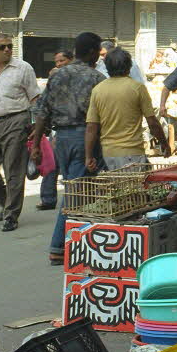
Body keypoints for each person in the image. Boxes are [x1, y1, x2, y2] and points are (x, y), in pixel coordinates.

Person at [32, 33, 103, 264]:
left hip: (60, 138)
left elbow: (42, 110)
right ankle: (58, 246)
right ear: (93, 52)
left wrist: (37, 144)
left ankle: (80, 244)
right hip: (85, 138)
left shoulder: (57, 75)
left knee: (79, 190)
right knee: (76, 193)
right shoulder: (97, 78)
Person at [0, 33, 41, 231]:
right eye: (3, 47)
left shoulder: (23, 68)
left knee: (13, 170)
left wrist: (36, 127)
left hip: (15, 121)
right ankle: (6, 203)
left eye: (10, 46)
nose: (7, 50)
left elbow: (35, 99)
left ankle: (11, 215)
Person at [87, 48, 169, 172]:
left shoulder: (97, 90)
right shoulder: (138, 88)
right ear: (129, 66)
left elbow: (91, 127)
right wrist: (164, 143)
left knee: (114, 190)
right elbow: (152, 122)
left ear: (107, 67)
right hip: (133, 153)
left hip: (108, 154)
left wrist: (88, 156)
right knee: (134, 189)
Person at [36, 49, 73, 211]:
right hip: (56, 131)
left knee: (69, 169)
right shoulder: (54, 80)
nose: (59, 64)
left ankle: (73, 201)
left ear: (71, 60)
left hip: (71, 131)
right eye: (57, 62)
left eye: (62, 61)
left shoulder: (76, 80)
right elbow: (43, 109)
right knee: (51, 165)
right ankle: (48, 199)